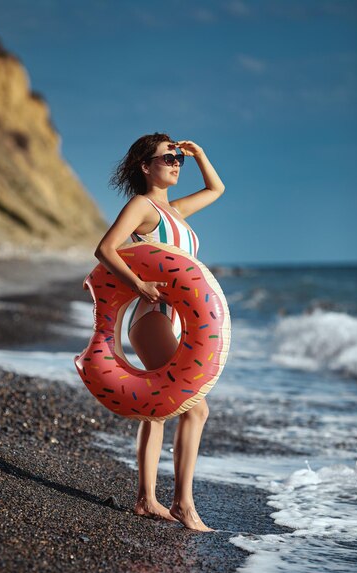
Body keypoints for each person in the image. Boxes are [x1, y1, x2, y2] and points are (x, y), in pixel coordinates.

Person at [95, 133, 225, 532]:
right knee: (195, 405)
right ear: (145, 166)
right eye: (167, 157)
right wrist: (138, 284)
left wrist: (199, 153)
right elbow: (106, 249)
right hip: (152, 313)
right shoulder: (142, 206)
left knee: (159, 409)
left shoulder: (177, 211)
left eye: (177, 158)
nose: (175, 163)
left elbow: (216, 188)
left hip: (175, 318)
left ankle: (145, 499)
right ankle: (183, 504)